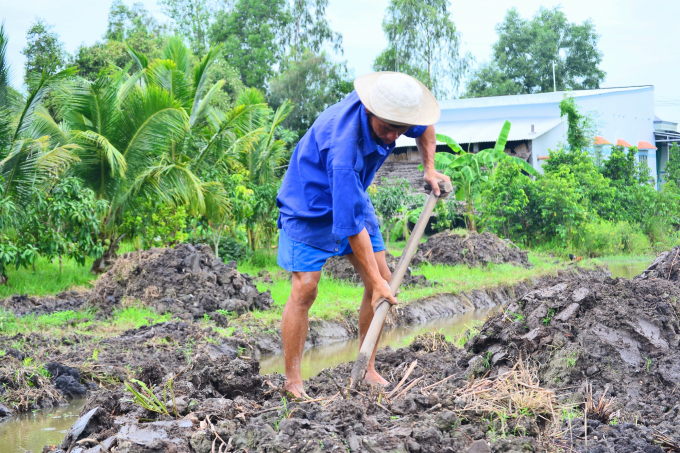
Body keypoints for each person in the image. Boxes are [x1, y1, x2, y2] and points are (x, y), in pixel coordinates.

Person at [276, 71, 450, 397]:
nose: (390, 137)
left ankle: (367, 368)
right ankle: (293, 381)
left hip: (351, 193)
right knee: (306, 288)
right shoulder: (343, 149)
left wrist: (428, 168)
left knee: (379, 281)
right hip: (307, 202)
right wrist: (377, 281)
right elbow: (352, 226)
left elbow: (424, 127)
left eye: (398, 131)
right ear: (369, 111)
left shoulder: (394, 114)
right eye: (386, 129)